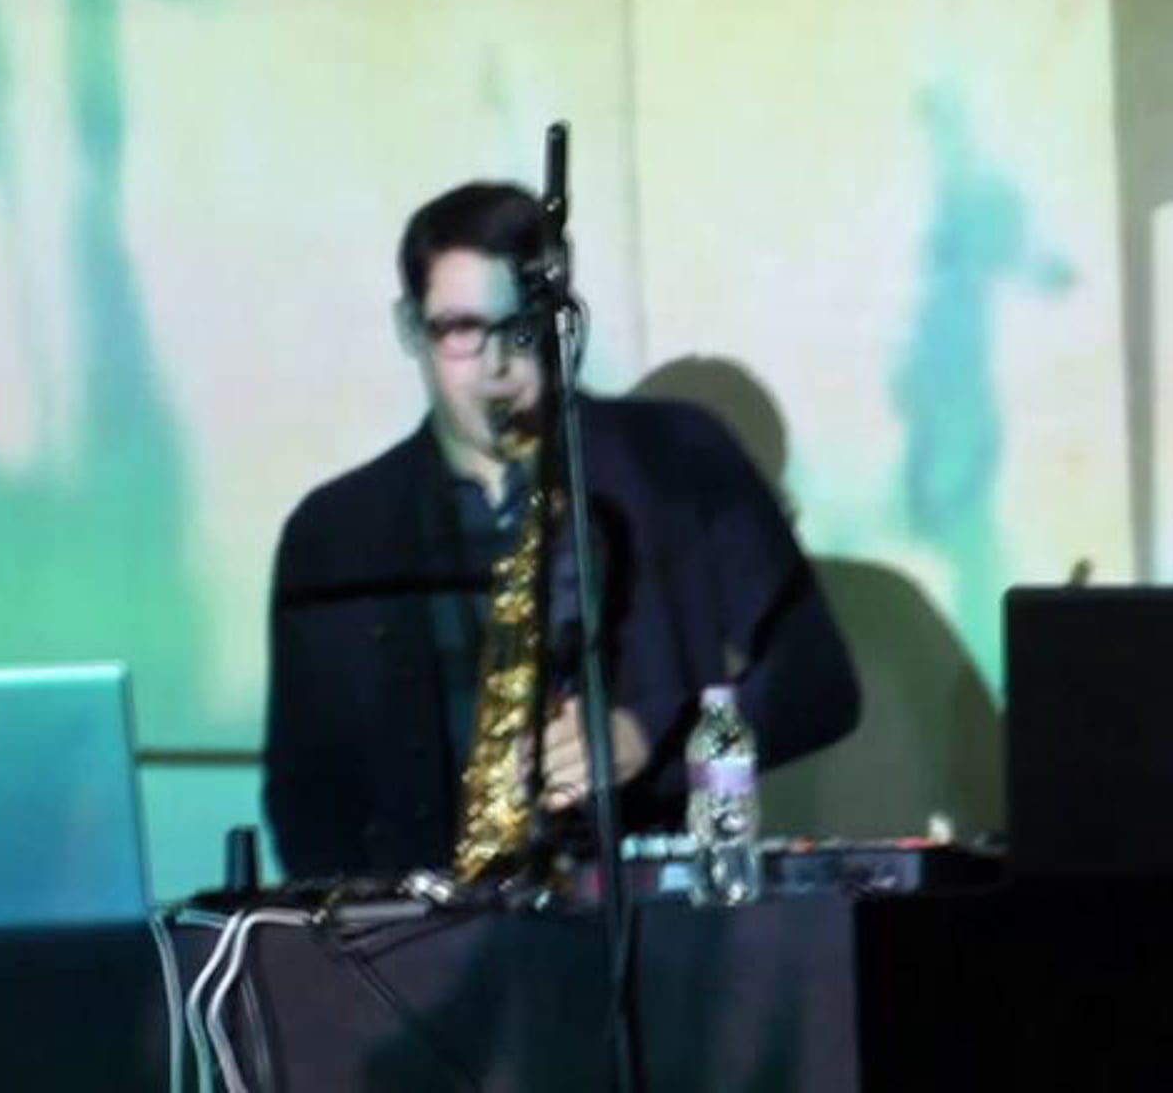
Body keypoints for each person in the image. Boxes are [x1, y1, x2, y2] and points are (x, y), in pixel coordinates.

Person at [263, 181, 860, 879]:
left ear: (565, 323)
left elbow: (818, 683)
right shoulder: (333, 532)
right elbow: (304, 796)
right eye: (461, 330)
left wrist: (648, 735)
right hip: (426, 931)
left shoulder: (681, 460)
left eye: (523, 328)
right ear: (410, 328)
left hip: (650, 912)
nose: (498, 368)